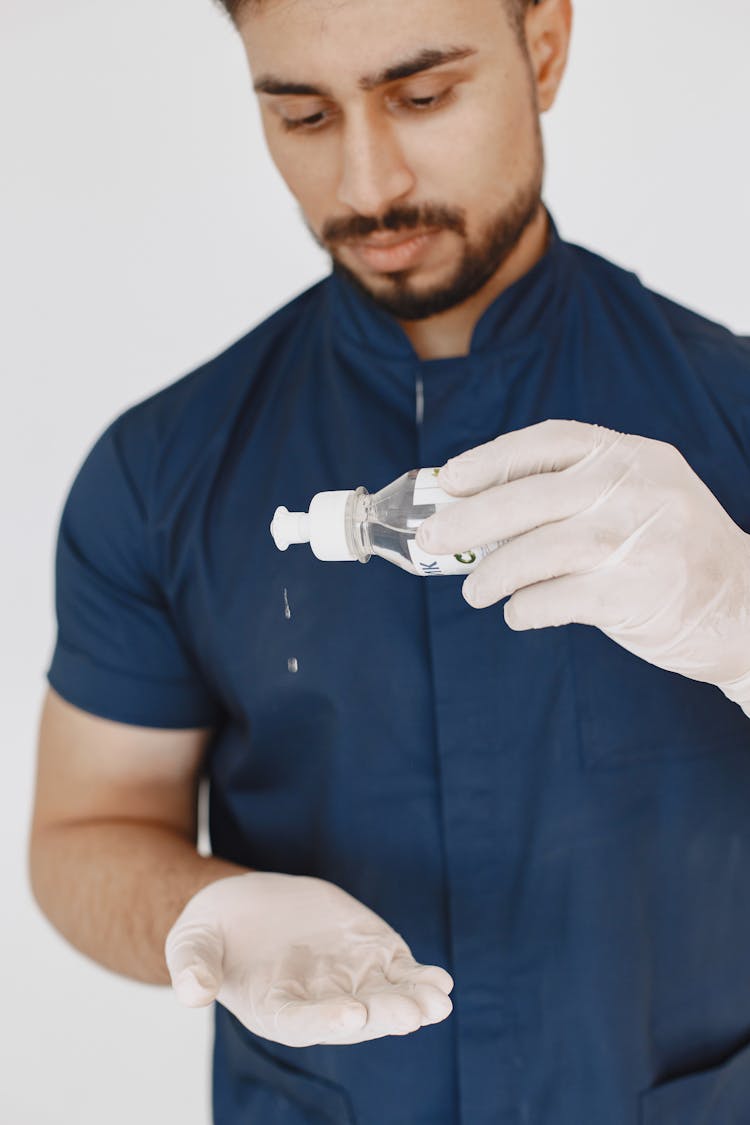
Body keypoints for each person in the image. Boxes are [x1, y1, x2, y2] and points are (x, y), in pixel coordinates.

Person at [28, 0, 750, 1122]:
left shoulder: (735, 418)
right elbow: (85, 831)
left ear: (544, 48)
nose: (367, 185)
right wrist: (203, 913)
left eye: (421, 96)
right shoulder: (161, 473)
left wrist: (742, 619)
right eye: (303, 115)